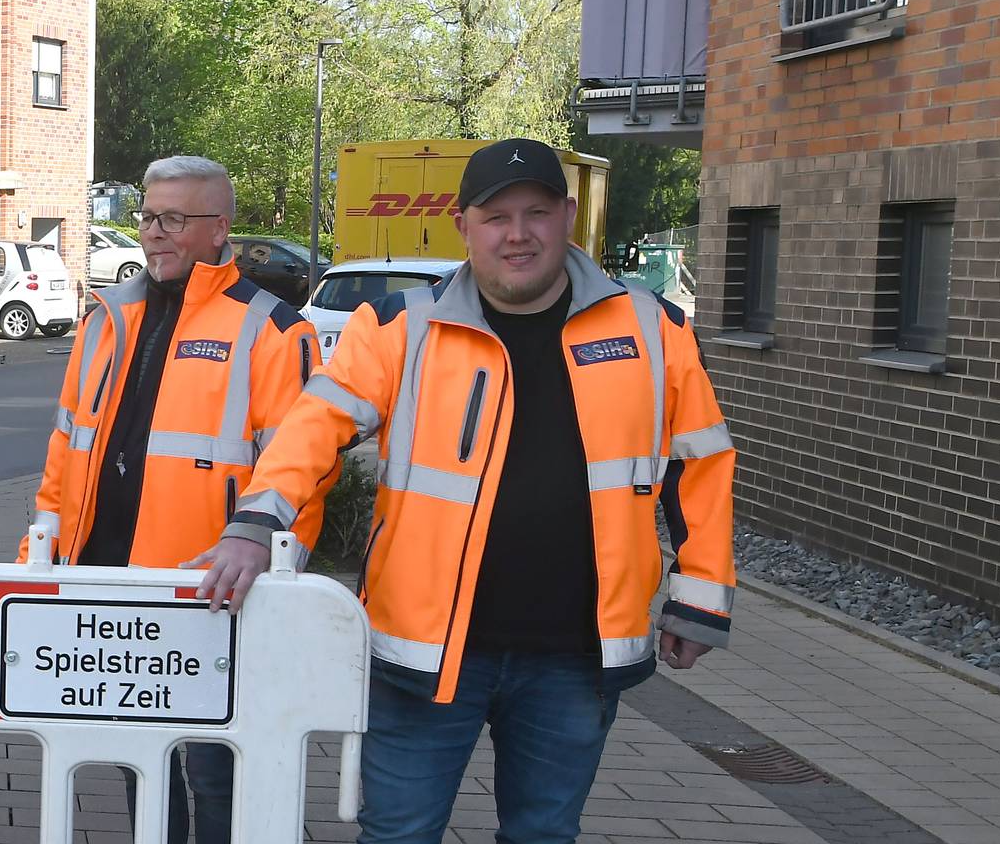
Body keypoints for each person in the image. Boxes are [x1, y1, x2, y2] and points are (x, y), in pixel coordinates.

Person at [189, 138, 737, 843]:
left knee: (543, 835)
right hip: (424, 655)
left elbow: (702, 464)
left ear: (566, 215)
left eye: (536, 213)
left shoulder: (651, 328)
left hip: (576, 657)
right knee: (398, 835)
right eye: (495, 217)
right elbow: (312, 429)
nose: (517, 234)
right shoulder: (399, 326)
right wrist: (256, 522)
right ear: (464, 226)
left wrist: (699, 599)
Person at [23, 155, 326, 844]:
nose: (155, 233)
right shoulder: (108, 317)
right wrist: (37, 552)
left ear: (219, 228)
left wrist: (276, 576)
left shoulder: (273, 329)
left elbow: (304, 470)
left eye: (174, 220)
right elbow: (63, 450)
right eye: (148, 216)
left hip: (214, 592)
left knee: (218, 771)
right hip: (110, 583)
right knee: (137, 763)